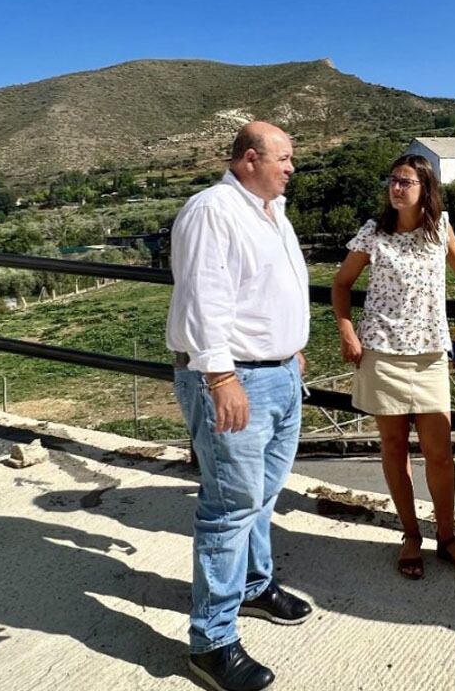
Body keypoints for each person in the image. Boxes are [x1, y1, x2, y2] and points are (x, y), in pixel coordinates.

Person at [166, 121, 313, 691]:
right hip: (233, 379)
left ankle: (253, 585)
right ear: (249, 159)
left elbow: (265, 292)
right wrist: (222, 374)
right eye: (284, 157)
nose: (291, 167)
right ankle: (212, 642)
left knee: (262, 494)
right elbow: (205, 296)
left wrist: (290, 349)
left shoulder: (271, 211)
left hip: (277, 373)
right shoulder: (214, 209)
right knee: (228, 507)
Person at [331, 154, 455, 581]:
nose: (397, 188)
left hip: (431, 354)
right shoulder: (373, 233)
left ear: (425, 189)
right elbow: (341, 284)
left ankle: (448, 537)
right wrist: (347, 330)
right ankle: (411, 535)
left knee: (440, 453)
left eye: (406, 182)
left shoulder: (439, 228)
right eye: (393, 180)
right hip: (381, 352)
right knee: (395, 450)